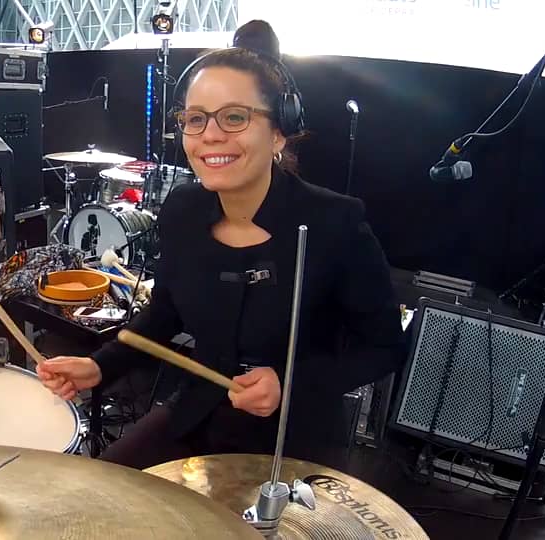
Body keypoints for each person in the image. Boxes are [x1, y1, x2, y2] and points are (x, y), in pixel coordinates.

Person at [37, 21, 405, 471]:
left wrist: (289, 384)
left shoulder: (336, 223)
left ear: (279, 132)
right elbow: (164, 313)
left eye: (234, 117)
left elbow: (384, 348)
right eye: (195, 119)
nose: (210, 135)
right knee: (102, 494)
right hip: (196, 412)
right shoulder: (184, 210)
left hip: (293, 436)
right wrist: (100, 366)